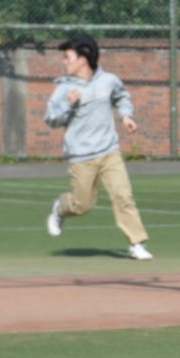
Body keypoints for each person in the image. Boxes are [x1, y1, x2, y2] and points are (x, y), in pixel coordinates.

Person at [43, 35, 152, 260]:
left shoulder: (108, 80)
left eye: (68, 57)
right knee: (82, 205)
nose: (64, 61)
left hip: (109, 151)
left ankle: (136, 243)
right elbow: (51, 119)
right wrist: (68, 104)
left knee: (123, 196)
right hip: (81, 156)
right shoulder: (64, 88)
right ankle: (60, 208)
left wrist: (125, 115)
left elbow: (121, 96)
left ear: (83, 60)